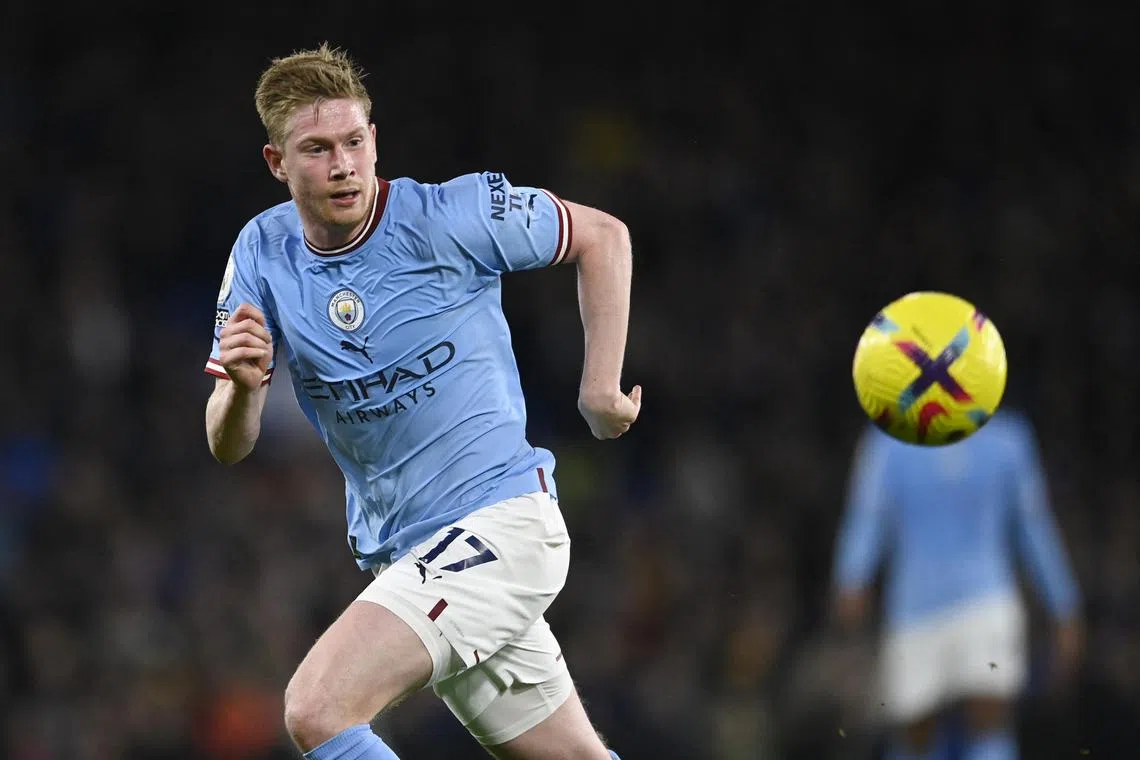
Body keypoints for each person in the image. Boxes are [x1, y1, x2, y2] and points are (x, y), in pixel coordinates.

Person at [203, 43, 639, 760]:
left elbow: (603, 236)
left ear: (375, 140)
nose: (343, 165)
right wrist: (244, 390)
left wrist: (599, 389)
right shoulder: (261, 253)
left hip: (502, 528)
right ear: (276, 162)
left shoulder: (448, 216)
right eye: (316, 149)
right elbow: (229, 442)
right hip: (410, 553)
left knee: (318, 709)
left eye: (353, 142)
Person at [831, 410, 1082, 760]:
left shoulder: (1007, 438)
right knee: (917, 733)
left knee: (987, 722)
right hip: (918, 608)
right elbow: (868, 514)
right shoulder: (889, 441)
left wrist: (1063, 604)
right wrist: (853, 575)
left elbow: (1032, 525)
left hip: (983, 600)